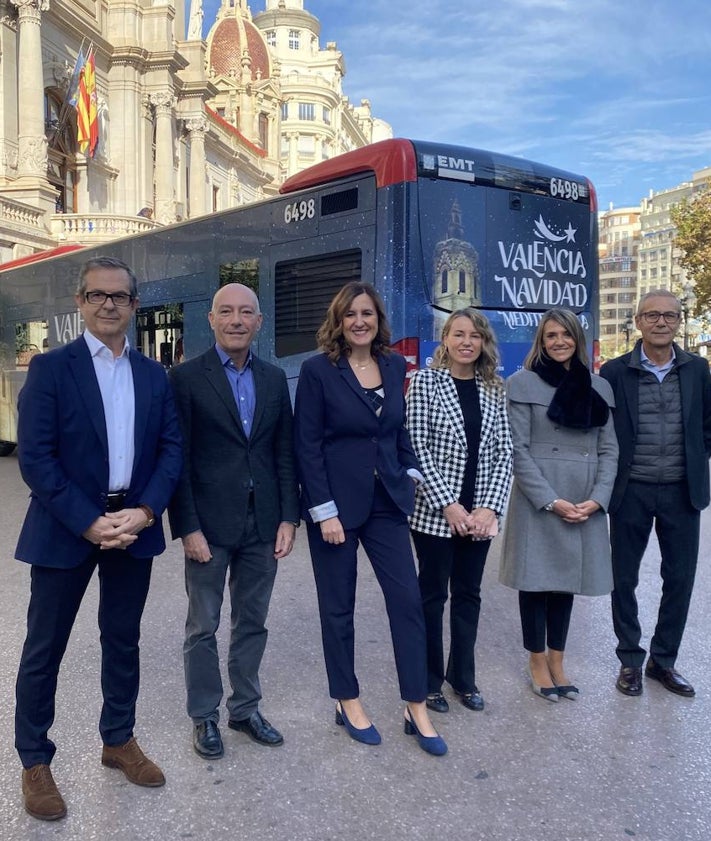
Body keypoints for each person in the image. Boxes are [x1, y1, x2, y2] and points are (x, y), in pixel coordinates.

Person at [14, 256, 183, 821]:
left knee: (123, 639)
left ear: (135, 306)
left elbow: (170, 451)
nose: (108, 304)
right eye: (96, 295)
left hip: (132, 526)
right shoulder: (52, 368)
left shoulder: (154, 375)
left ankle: (118, 739)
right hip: (67, 527)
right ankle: (35, 760)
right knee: (45, 648)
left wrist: (144, 511)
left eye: (119, 296)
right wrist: (87, 520)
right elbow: (35, 458)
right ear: (80, 304)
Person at [294, 281, 446, 756]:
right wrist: (325, 512)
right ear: (338, 322)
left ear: (378, 320)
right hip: (337, 510)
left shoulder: (393, 364)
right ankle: (347, 699)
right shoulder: (318, 371)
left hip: (388, 503)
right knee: (338, 609)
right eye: (351, 314)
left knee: (407, 601)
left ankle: (415, 704)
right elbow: (308, 446)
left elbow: (394, 430)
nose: (360, 321)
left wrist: (412, 472)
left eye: (368, 314)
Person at [168, 283, 299, 760]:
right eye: (227, 311)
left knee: (253, 622)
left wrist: (289, 517)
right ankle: (205, 716)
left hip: (263, 524)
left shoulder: (272, 377)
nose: (237, 320)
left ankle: (245, 709)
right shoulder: (185, 378)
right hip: (208, 524)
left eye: (246, 312)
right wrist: (187, 527)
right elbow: (176, 459)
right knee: (202, 625)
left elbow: (283, 451)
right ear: (212, 319)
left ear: (259, 322)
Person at [500, 308, 618, 701]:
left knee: (566, 583)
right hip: (541, 498)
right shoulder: (521, 383)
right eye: (551, 335)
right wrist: (550, 500)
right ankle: (536, 660)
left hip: (583, 499)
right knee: (536, 582)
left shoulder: (599, 388)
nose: (559, 342)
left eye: (566, 335)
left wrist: (597, 499)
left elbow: (609, 450)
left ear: (577, 340)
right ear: (541, 341)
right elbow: (517, 449)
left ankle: (557, 659)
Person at [600, 290, 711, 698]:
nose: (661, 322)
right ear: (639, 322)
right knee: (622, 578)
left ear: (679, 322)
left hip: (683, 492)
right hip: (631, 491)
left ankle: (663, 661)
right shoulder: (614, 371)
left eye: (670, 315)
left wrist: (695, 459)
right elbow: (602, 429)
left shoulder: (698, 370)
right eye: (652, 315)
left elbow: (707, 426)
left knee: (679, 579)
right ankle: (630, 660)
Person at [405, 308, 512, 714]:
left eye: (475, 336)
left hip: (479, 515)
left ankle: (462, 678)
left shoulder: (494, 388)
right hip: (435, 513)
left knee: (469, 594)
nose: (467, 341)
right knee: (432, 595)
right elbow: (416, 447)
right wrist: (448, 504)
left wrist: (488, 508)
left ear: (483, 343)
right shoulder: (426, 383)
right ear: (445, 340)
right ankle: (429, 680)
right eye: (458, 334)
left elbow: (505, 452)